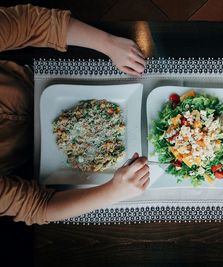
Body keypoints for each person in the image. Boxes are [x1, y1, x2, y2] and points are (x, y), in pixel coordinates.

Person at [0, 4, 149, 225]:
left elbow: (28, 23)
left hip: (38, 77)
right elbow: (38, 207)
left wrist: (108, 43)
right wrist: (115, 191)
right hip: (33, 163)